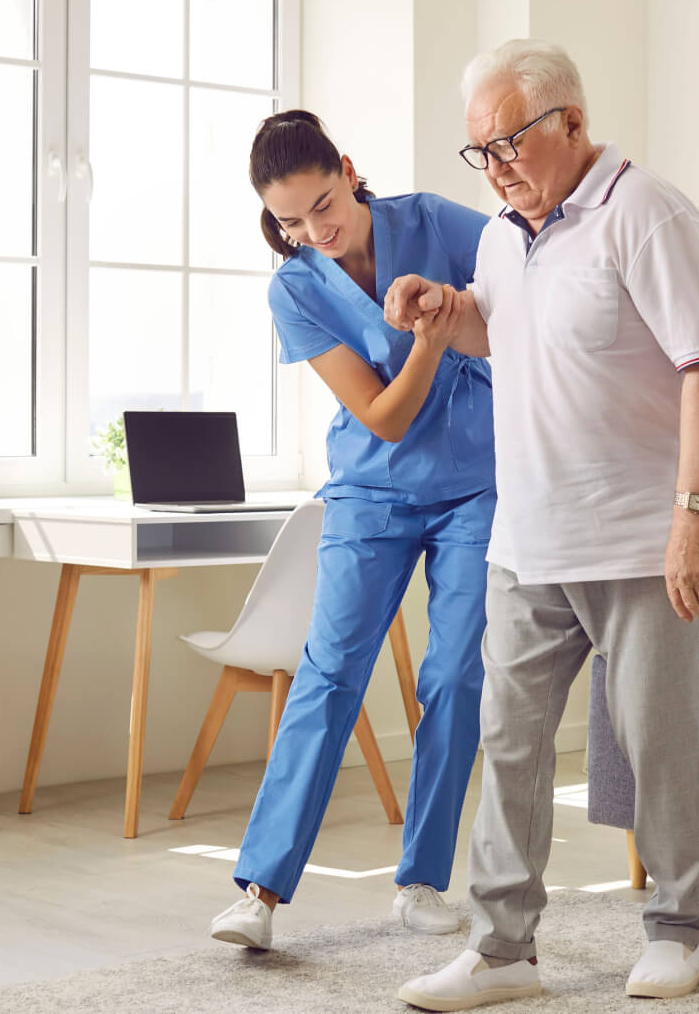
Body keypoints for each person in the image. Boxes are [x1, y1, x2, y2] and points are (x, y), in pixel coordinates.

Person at [386, 40, 699, 1008]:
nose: (495, 166)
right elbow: (505, 331)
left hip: (640, 540)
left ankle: (679, 929)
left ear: (571, 124)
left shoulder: (647, 213)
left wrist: (696, 523)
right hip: (528, 542)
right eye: (479, 151)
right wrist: (444, 309)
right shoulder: (502, 236)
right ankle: (502, 951)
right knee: (508, 742)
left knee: (658, 741)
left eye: (509, 142)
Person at [208, 110, 497, 952]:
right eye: (292, 221)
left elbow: (530, 267)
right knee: (329, 675)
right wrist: (433, 344)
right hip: (371, 492)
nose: (316, 231)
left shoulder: (438, 222)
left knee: (452, 677)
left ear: (348, 168)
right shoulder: (296, 286)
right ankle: (258, 892)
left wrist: (458, 313)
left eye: (324, 205)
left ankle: (420, 882)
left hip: (476, 488)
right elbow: (382, 415)